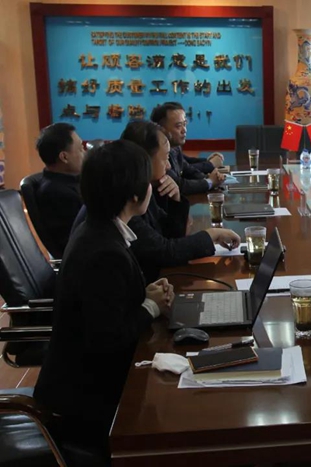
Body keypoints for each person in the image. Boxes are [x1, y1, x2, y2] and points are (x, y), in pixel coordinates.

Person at [34, 140, 175, 465]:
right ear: (135, 195)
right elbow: (108, 339)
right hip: (87, 403)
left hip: (91, 383)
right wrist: (150, 307)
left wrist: (145, 295)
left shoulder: (100, 229)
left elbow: (109, 304)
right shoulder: (104, 252)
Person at [120, 121, 241, 282]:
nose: (169, 166)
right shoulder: (126, 203)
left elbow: (170, 237)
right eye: (165, 158)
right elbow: (165, 252)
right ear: (144, 161)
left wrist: (176, 199)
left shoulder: (148, 189)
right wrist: (212, 235)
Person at [150, 102, 225, 195]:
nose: (184, 130)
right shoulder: (156, 153)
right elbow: (179, 185)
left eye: (184, 124)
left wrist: (208, 177)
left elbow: (188, 169)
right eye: (178, 126)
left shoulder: (175, 148)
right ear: (161, 129)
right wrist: (209, 182)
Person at [34, 122, 85, 258]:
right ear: (64, 157)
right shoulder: (56, 193)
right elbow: (82, 239)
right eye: (80, 149)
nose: (84, 153)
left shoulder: (70, 181)